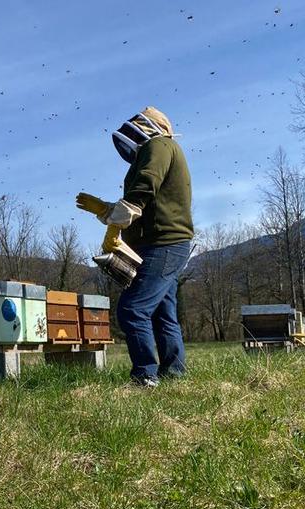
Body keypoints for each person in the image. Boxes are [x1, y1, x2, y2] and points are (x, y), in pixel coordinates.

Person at [76, 107, 193, 387]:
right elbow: (145, 202)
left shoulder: (160, 145)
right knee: (164, 314)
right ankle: (174, 375)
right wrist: (107, 210)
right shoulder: (163, 148)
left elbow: (146, 183)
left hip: (163, 244)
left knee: (133, 309)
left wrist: (126, 208)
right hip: (166, 243)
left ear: (147, 126)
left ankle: (145, 376)